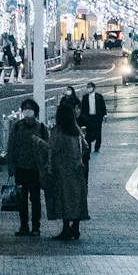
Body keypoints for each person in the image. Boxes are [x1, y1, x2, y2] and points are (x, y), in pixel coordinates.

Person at [46, 92, 90, 241]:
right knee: (77, 199)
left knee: (64, 199)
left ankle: (66, 228)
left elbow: (52, 149)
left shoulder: (58, 131)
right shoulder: (76, 130)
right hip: (78, 170)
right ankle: (75, 229)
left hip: (63, 171)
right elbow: (85, 147)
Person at [6, 97, 49, 236]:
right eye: (25, 110)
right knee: (21, 199)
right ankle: (23, 225)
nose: (27, 112)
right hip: (20, 169)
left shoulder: (41, 128)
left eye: (30, 110)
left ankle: (36, 227)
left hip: (36, 170)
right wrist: (11, 167)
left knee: (35, 199)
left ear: (35, 112)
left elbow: (48, 147)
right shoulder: (17, 126)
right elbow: (11, 148)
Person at [81, 84, 106, 157]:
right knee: (88, 132)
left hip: (97, 117)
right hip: (88, 117)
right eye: (88, 87)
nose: (89, 89)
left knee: (98, 132)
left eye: (90, 87)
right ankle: (89, 147)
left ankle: (97, 147)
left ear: (93, 88)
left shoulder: (99, 97)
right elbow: (83, 108)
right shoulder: (85, 97)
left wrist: (104, 115)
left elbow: (103, 106)